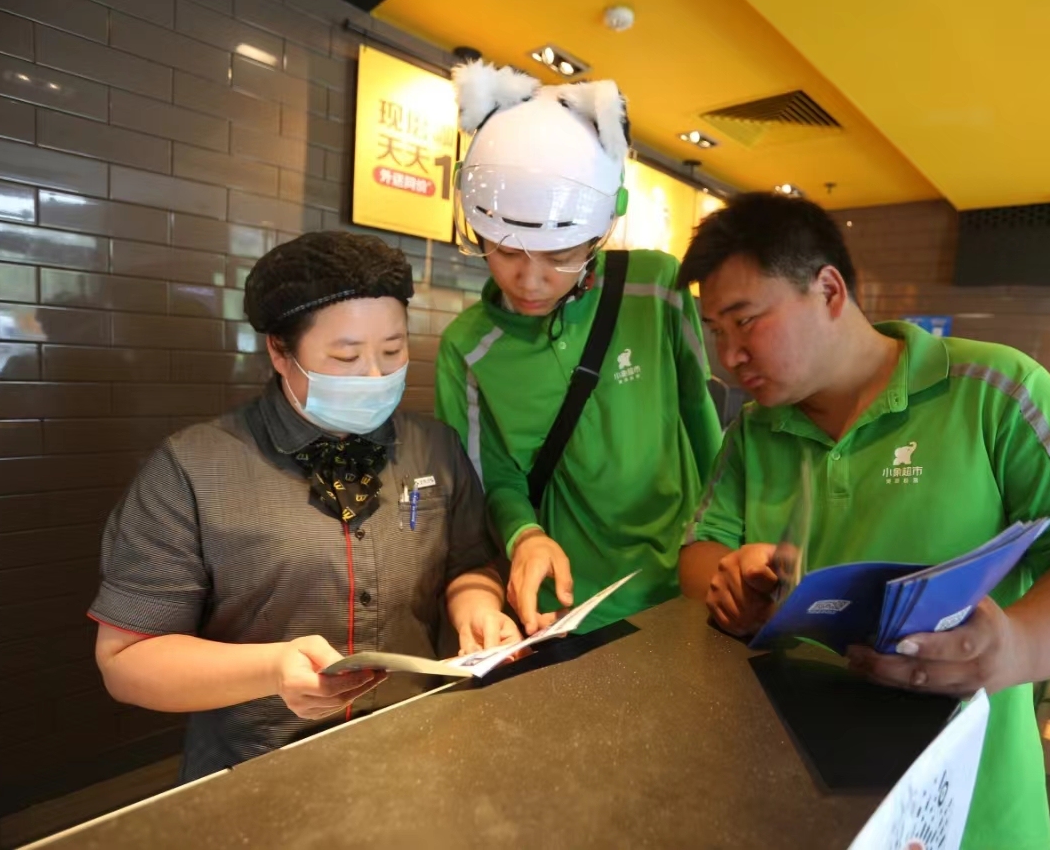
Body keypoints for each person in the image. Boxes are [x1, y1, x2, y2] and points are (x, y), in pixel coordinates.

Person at [676, 192, 1050, 850]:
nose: (728, 356)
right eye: (715, 331)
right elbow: (701, 552)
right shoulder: (752, 433)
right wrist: (730, 581)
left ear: (828, 290)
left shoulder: (994, 392)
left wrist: (1015, 648)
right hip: (795, 801)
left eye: (745, 321)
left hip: (975, 816)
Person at [90, 232, 518, 781]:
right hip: (256, 767)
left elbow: (468, 565)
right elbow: (126, 661)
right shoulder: (192, 468)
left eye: (392, 351)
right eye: (346, 355)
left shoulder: (434, 447)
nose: (375, 376)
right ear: (279, 350)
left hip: (418, 748)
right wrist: (271, 669)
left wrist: (477, 609)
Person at [435, 61, 722, 635]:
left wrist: (723, 540)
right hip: (567, 606)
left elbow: (701, 415)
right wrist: (525, 535)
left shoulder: (655, 286)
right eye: (505, 251)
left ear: (598, 234)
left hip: (685, 582)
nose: (530, 280)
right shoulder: (467, 346)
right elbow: (492, 478)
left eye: (561, 256)